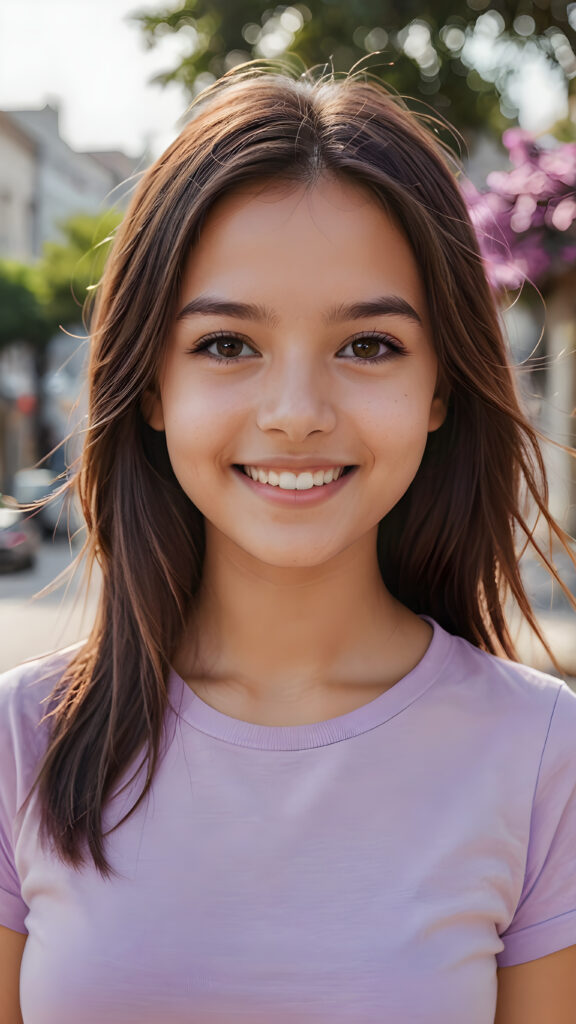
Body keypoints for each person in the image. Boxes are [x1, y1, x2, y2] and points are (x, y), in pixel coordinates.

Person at [1, 63, 576, 1024]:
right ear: (151, 385)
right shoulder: (21, 743)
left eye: (370, 345)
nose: (298, 414)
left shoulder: (538, 754)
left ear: (440, 389)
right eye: (228, 344)